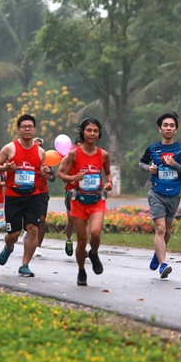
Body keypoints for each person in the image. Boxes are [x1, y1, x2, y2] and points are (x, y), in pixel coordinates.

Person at [57, 118, 113, 286]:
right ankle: (81, 270)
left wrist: (109, 183)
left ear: (99, 133)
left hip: (97, 200)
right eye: (89, 130)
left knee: (95, 232)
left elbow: (108, 174)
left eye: (95, 131)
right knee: (82, 240)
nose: (92, 134)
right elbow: (61, 173)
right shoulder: (74, 153)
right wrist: (73, 177)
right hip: (78, 201)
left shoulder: (103, 154)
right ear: (83, 132)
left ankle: (94, 253)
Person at [138, 111, 181, 279]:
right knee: (160, 229)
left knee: (167, 230)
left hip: (174, 194)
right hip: (156, 193)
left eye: (172, 125)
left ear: (176, 129)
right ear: (159, 129)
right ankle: (163, 265)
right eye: (165, 125)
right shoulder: (153, 148)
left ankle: (157, 255)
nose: (168, 128)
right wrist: (149, 168)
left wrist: (175, 164)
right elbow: (141, 162)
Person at [0, 114, 47, 277]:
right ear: (19, 129)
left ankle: (25, 265)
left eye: (30, 126)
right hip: (13, 196)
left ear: (35, 129)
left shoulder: (40, 151)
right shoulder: (10, 148)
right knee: (13, 235)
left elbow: (41, 171)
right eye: (24, 126)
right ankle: (9, 247)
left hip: (33, 195)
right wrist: (6, 168)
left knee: (33, 229)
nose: (27, 129)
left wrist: (45, 172)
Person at [33, 136, 56, 257]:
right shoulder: (27, 157)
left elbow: (53, 177)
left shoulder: (48, 160)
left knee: (42, 220)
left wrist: (49, 176)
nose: (38, 148)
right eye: (36, 145)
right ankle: (29, 234)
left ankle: (37, 247)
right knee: (31, 221)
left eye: (40, 146)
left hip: (42, 193)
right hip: (28, 192)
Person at [61, 136, 82, 257]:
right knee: (71, 222)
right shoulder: (69, 157)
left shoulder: (91, 157)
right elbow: (61, 174)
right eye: (79, 144)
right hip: (71, 191)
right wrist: (72, 178)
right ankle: (69, 239)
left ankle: (82, 244)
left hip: (86, 192)